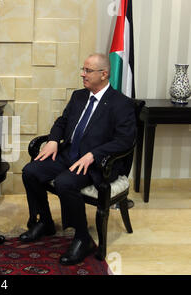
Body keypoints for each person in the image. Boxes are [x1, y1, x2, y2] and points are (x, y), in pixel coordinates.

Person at [19, 53, 136, 265]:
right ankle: (45, 222)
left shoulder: (121, 104)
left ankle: (83, 238)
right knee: (31, 171)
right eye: (83, 70)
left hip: (97, 163)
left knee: (65, 183)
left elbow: (125, 140)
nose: (83, 74)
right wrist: (54, 140)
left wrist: (94, 154)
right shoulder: (79, 96)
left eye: (88, 71)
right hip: (69, 154)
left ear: (104, 74)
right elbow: (62, 122)